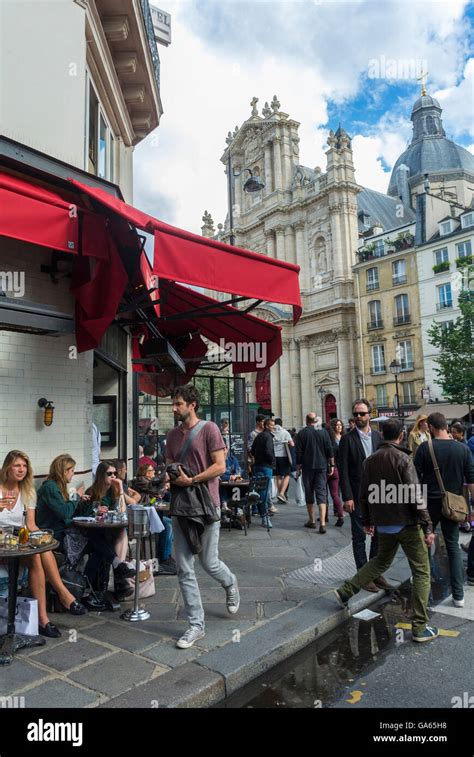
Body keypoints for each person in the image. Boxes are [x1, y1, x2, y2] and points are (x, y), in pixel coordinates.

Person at [335, 419, 438, 643]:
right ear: (401, 435)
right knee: (421, 571)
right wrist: (427, 525)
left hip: (384, 523)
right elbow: (415, 495)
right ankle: (420, 627)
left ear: (382, 435)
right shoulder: (403, 458)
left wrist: (368, 520)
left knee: (381, 561)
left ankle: (346, 590)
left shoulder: (370, 460)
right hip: (406, 524)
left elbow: (364, 493)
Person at [165, 384, 239, 649]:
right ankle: (196, 625)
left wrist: (192, 479)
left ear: (192, 404)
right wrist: (168, 476)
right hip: (182, 506)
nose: (174, 409)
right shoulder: (172, 436)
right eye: (173, 404)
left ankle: (230, 584)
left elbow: (220, 466)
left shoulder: (209, 429)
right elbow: (170, 464)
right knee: (184, 567)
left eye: (178, 404)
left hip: (208, 505)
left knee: (209, 562)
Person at [0, 451, 87, 639]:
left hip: (18, 542)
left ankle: (43, 618)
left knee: (41, 553)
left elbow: (30, 525)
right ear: (7, 467)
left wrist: (42, 537)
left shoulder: (28, 492)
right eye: (17, 465)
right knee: (38, 556)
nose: (21, 469)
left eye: (24, 466)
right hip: (1, 544)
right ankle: (62, 596)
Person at [37, 457, 134, 588]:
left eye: (115, 474)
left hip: (65, 529)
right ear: (64, 471)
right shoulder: (51, 487)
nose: (73, 474)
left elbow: (122, 513)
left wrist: (121, 490)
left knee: (101, 543)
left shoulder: (58, 487)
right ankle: (97, 581)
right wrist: (77, 497)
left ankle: (91, 585)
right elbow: (65, 513)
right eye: (72, 470)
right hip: (54, 533)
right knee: (98, 543)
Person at [414, 412, 474, 608]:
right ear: (446, 427)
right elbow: (471, 481)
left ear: (431, 427)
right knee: (453, 546)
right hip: (453, 505)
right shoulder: (462, 449)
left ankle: (424, 590)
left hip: (429, 504)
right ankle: (458, 596)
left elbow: (415, 478)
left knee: (425, 545)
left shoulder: (425, 448)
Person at [338, 399, 386, 590]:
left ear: (369, 415)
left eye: (362, 413)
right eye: (355, 414)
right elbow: (343, 470)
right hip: (357, 495)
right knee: (359, 536)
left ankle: (375, 572)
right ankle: (363, 576)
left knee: (379, 536)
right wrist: (347, 497)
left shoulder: (377, 436)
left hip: (377, 494)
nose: (358, 417)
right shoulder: (347, 439)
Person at [131, 464, 176, 576]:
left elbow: (158, 493)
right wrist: (164, 485)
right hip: (142, 515)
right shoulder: (141, 480)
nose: (154, 473)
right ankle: (163, 559)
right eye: (152, 471)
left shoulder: (148, 481)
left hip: (151, 513)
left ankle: (166, 555)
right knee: (167, 526)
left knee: (170, 523)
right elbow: (156, 491)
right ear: (145, 472)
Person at [295, 413, 334, 533]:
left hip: (307, 467)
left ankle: (311, 521)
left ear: (306, 420)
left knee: (309, 492)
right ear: (315, 420)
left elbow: (299, 453)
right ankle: (322, 523)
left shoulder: (302, 433)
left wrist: (298, 467)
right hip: (322, 466)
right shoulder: (323, 432)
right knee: (321, 493)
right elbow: (329, 450)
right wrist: (332, 465)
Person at [251, 417, 276, 528]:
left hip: (257, 466)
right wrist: (272, 462)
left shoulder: (258, 436)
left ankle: (262, 515)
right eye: (271, 425)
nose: (273, 427)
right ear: (266, 426)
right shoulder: (268, 437)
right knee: (265, 493)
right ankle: (265, 517)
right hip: (266, 466)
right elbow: (268, 451)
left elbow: (252, 450)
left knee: (260, 491)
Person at [272, 418, 294, 505]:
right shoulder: (285, 432)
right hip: (284, 456)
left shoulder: (272, 432)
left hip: (274, 457)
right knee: (287, 475)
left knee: (278, 476)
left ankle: (280, 494)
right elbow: (292, 444)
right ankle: (281, 493)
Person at [328, 418, 345, 526]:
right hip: (335, 467)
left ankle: (339, 512)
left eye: (340, 425)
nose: (339, 427)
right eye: (337, 425)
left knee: (336, 492)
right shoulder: (331, 438)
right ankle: (337, 511)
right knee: (335, 492)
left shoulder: (345, 437)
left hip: (342, 467)